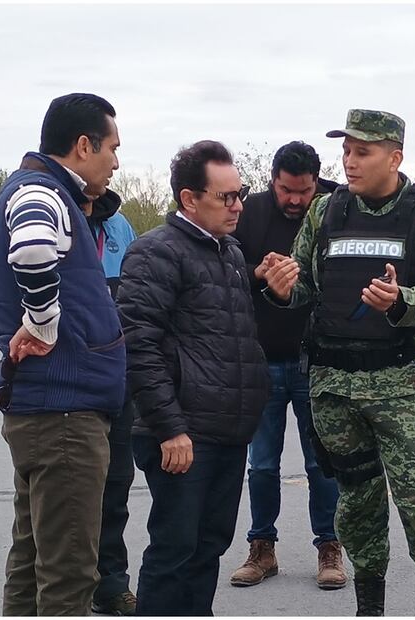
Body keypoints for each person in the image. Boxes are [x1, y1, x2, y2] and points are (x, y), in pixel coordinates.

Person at [262, 110, 415, 616]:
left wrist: (400, 303)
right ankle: (369, 607)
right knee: (357, 508)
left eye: (363, 152)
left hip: (403, 387)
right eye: (346, 150)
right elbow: (308, 288)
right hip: (334, 390)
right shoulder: (324, 212)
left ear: (394, 157)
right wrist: (282, 291)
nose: (349, 162)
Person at [0, 93, 125, 615]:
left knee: (32, 556)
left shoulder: (27, 190)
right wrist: (41, 327)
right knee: (69, 573)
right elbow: (33, 250)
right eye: (112, 148)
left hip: (43, 407)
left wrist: (14, 332)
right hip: (64, 414)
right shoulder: (42, 193)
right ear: (84, 145)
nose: (116, 161)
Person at [117, 140, 269, 616]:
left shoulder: (228, 253)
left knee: (209, 546)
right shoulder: (155, 254)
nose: (238, 206)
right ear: (189, 199)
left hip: (227, 432)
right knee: (174, 550)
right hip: (182, 436)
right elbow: (138, 345)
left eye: (240, 194)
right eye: (227, 197)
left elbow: (226, 337)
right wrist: (170, 427)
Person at [229, 141, 346, 590]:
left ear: (317, 182)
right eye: (286, 190)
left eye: (304, 191)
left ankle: (329, 548)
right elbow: (223, 261)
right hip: (263, 360)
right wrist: (258, 271)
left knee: (322, 463)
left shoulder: (337, 206)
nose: (295, 200)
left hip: (317, 362)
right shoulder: (251, 211)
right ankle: (262, 549)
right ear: (273, 180)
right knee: (261, 463)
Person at [85, 190, 140, 616]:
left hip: (119, 382)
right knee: (69, 495)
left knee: (116, 487)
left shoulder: (120, 227)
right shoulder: (53, 215)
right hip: (71, 387)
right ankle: (69, 584)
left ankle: (111, 582)